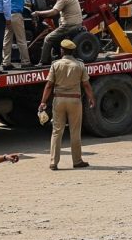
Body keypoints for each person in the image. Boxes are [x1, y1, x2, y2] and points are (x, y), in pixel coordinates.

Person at [39, 39, 96, 170]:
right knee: (75, 132)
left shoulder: (55, 65)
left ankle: (53, 162)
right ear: (73, 51)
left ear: (62, 51)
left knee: (57, 131)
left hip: (59, 100)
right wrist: (91, 98)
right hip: (75, 101)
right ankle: (77, 161)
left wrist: (43, 102)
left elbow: (49, 85)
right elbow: (86, 84)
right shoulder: (80, 65)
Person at [33, 0, 82, 67]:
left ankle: (43, 62)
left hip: (69, 25)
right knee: (56, 38)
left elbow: (53, 12)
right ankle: (59, 57)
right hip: (75, 24)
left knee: (48, 38)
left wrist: (38, 13)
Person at [1, 0, 35, 70]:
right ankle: (25, 61)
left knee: (7, 39)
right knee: (21, 39)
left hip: (6, 15)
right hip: (16, 15)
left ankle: (6, 62)